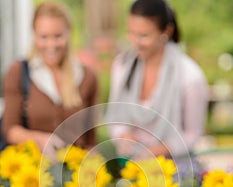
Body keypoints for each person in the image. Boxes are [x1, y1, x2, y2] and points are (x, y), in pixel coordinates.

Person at [105, 0, 209, 160]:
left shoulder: (190, 77)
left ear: (166, 31)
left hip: (176, 167)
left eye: (144, 35)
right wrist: (122, 134)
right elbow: (115, 119)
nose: (135, 42)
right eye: (131, 33)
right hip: (131, 163)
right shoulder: (122, 66)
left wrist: (162, 150)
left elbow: (193, 134)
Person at [2, 1, 98, 159]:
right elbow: (10, 130)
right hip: (31, 172)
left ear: (69, 33)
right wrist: (40, 139)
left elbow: (91, 139)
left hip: (73, 174)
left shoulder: (87, 76)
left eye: (58, 36)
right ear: (34, 35)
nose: (51, 45)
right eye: (44, 37)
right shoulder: (19, 72)